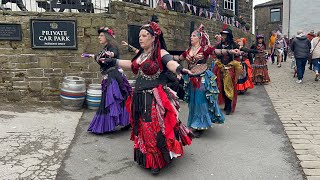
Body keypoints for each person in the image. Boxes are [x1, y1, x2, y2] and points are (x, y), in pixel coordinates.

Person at [100, 22, 194, 175]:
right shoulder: (141, 55)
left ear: (153, 38)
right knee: (142, 127)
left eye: (144, 36)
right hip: (139, 96)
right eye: (139, 36)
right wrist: (113, 62)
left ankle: (157, 160)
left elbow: (170, 62)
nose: (140, 39)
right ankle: (148, 157)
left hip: (154, 97)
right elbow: (131, 65)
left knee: (154, 127)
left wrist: (179, 69)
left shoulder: (160, 53)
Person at [173, 24, 239, 137]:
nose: (191, 37)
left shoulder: (205, 49)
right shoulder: (188, 51)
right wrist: (164, 56)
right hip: (191, 79)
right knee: (193, 103)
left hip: (202, 78)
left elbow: (217, 51)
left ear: (199, 38)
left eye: (194, 36)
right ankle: (195, 123)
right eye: (191, 36)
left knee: (200, 101)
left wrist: (231, 51)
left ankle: (199, 125)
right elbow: (179, 59)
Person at [85, 27, 132, 134]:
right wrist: (92, 56)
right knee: (118, 99)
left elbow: (113, 54)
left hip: (114, 76)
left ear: (107, 37)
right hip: (109, 76)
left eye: (101, 35)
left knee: (110, 100)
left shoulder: (112, 47)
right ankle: (127, 121)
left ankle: (105, 126)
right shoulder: (104, 48)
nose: (99, 37)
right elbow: (101, 58)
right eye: (99, 35)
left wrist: (110, 55)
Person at [213, 25, 242, 115]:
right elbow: (215, 53)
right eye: (222, 35)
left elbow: (239, 54)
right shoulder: (218, 45)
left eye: (225, 35)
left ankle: (229, 106)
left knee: (229, 86)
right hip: (220, 68)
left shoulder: (234, 45)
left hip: (230, 69)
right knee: (221, 86)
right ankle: (226, 104)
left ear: (229, 36)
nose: (223, 37)